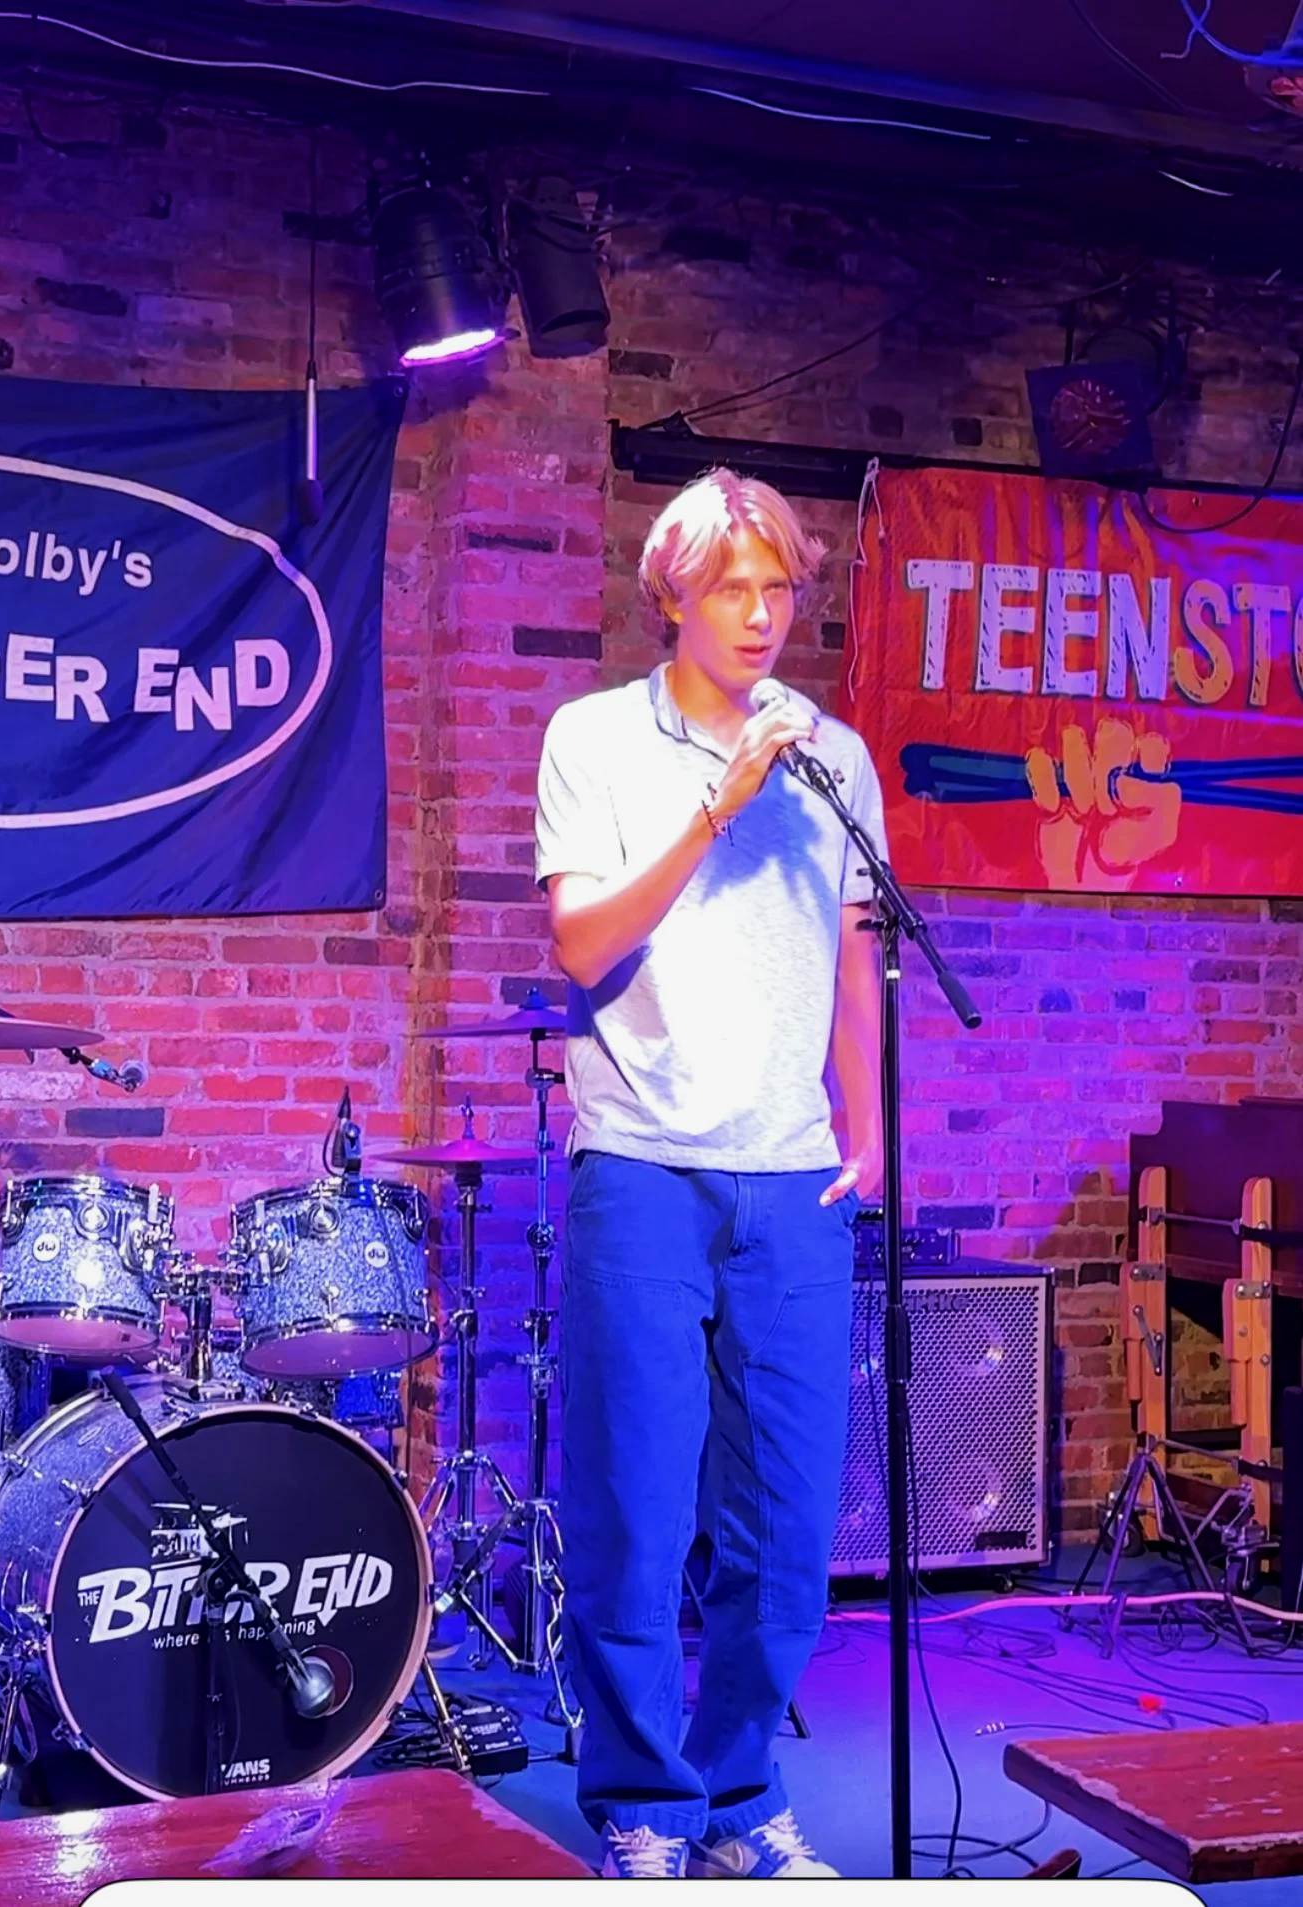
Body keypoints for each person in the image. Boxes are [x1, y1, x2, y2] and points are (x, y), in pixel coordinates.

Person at [534, 468, 886, 1880]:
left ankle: (741, 1792)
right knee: (636, 1502)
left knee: (791, 1518)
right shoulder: (596, 739)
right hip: (642, 1166)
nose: (759, 614)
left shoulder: (837, 755)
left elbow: (855, 945)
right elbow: (579, 947)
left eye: (781, 587)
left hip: (791, 1176)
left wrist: (867, 1122)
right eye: (732, 586)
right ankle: (642, 1798)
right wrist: (715, 809)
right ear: (671, 590)